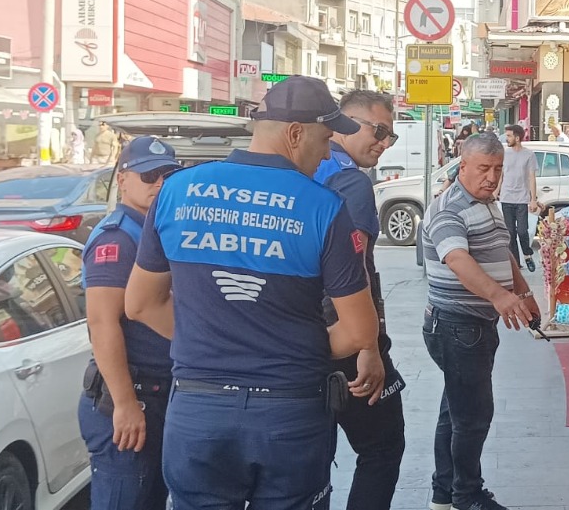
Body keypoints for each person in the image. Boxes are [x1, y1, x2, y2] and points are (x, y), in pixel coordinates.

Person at [125, 76, 380, 510]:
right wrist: (288, 353)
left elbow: (140, 304)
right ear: (295, 133)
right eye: (324, 138)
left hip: (197, 409)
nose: (325, 154)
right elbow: (358, 331)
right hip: (287, 415)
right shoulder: (322, 207)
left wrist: (211, 340)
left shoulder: (178, 191)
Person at [421, 131, 540, 510]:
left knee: (455, 412)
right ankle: (466, 496)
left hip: (475, 327)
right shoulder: (449, 208)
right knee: (473, 418)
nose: (492, 177)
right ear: (463, 164)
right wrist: (499, 296)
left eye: (498, 169)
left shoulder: (487, 202)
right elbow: (457, 260)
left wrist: (521, 291)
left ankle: (444, 493)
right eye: (484, 169)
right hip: (457, 326)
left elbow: (501, 250)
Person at [312, 90, 407, 510]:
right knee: (384, 446)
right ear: (345, 123)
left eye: (392, 135)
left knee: (308, 460)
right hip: (344, 339)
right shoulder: (349, 180)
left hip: (288, 340)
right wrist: (369, 345)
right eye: (379, 130)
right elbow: (355, 274)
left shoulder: (299, 171)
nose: (385, 143)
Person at [80, 136, 183, 510]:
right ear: (123, 180)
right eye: (149, 175)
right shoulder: (120, 238)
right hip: (132, 395)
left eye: (168, 176)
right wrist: (125, 404)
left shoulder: (161, 230)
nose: (159, 184)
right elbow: (102, 323)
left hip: (161, 392)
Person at [498, 125, 541, 273]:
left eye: (509, 136)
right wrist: (496, 192)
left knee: (522, 231)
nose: (507, 139)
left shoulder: (528, 155)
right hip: (506, 197)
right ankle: (516, 263)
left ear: (517, 138)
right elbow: (501, 175)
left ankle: (527, 255)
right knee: (510, 233)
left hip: (522, 198)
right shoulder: (505, 154)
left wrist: (533, 199)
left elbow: (531, 177)